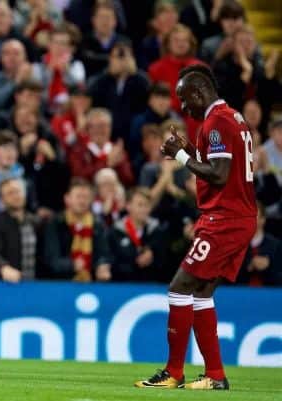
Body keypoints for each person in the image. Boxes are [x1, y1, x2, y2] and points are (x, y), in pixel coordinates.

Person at [135, 64, 257, 390]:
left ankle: (174, 372)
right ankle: (215, 375)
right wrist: (189, 150)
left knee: (179, 287)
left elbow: (217, 174)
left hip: (225, 219)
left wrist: (179, 157)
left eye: (186, 100)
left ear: (200, 92)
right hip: (236, 217)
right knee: (201, 293)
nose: (184, 108)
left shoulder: (216, 123)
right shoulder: (232, 118)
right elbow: (223, 168)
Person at [43, 179, 112, 281]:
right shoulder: (55, 223)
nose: (82, 201)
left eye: (86, 197)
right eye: (78, 196)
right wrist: (71, 265)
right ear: (67, 199)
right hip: (60, 283)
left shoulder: (97, 224)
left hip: (91, 284)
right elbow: (51, 259)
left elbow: (104, 253)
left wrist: (102, 265)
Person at [0, 177, 41, 283]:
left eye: (18, 191)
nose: (16, 196)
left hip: (35, 284)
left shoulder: (35, 221)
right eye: (10, 193)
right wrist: (3, 267)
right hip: (8, 284)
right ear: (2, 199)